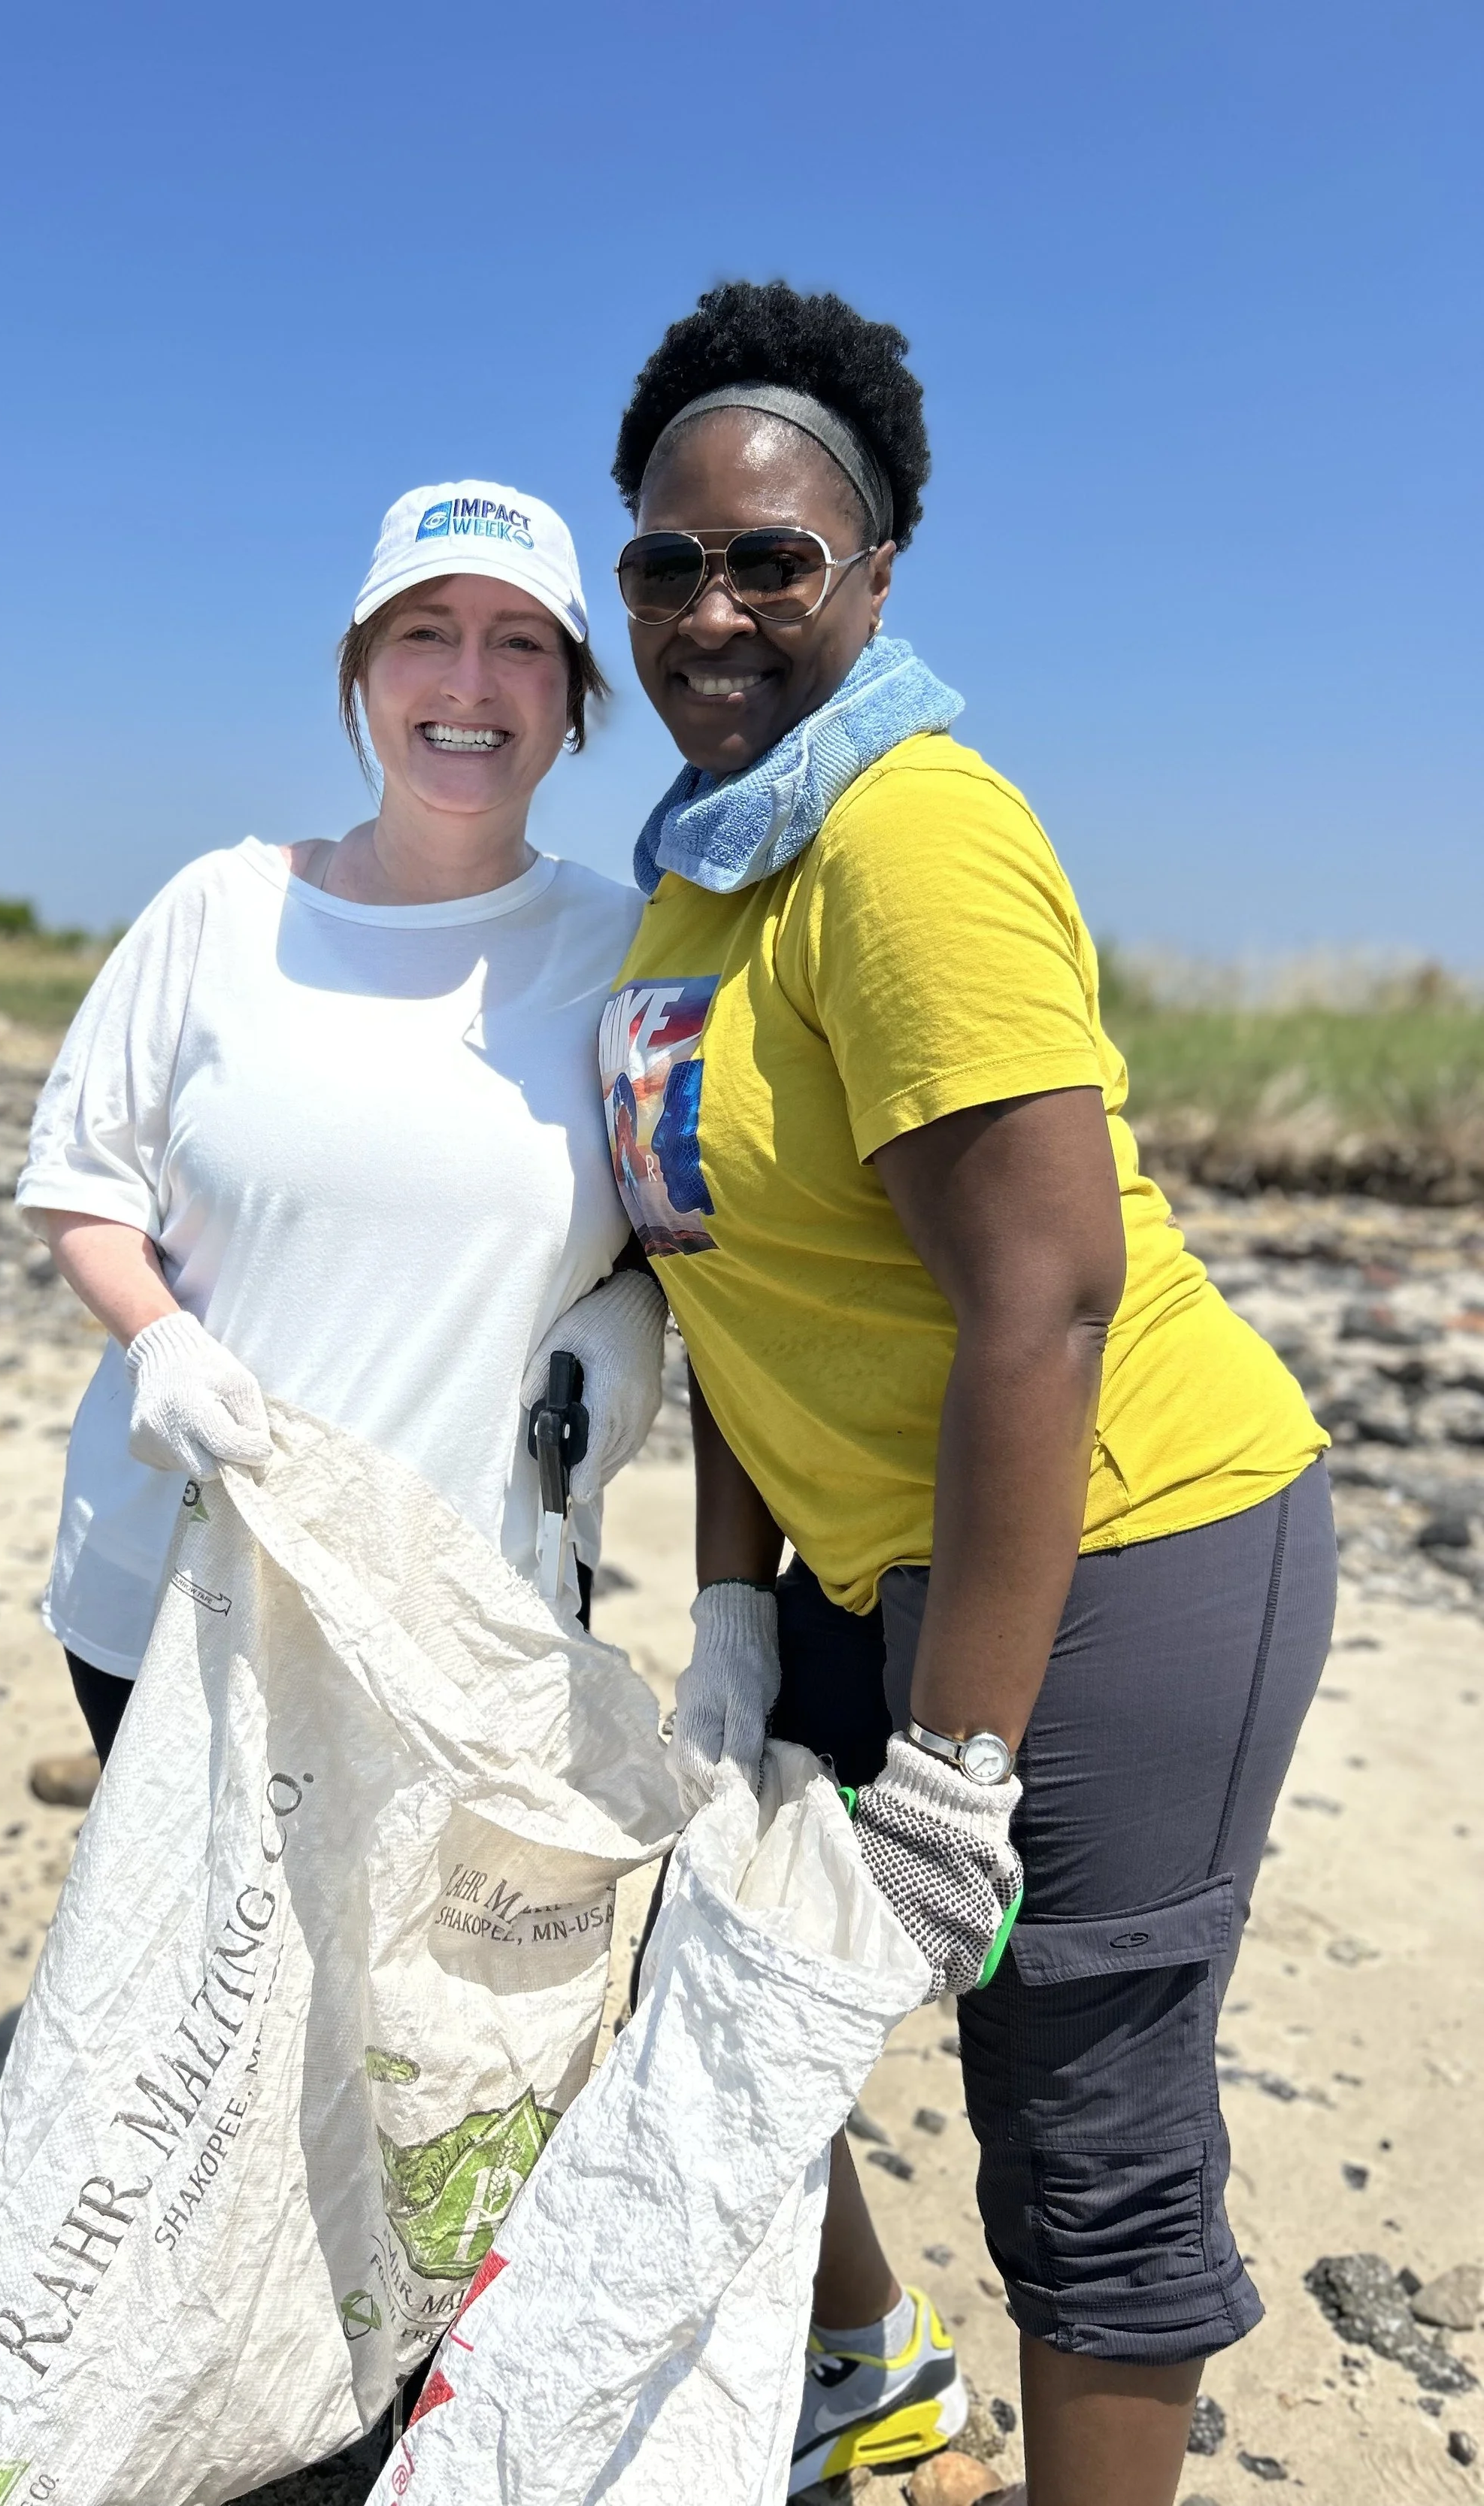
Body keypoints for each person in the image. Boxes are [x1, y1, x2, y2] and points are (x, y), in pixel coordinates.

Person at [601, 284, 1332, 2506]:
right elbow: (731, 1288)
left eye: (768, 559)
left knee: (1078, 2118)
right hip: (861, 1559)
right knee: (717, 1962)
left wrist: (960, 1762)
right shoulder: (698, 877)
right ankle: (861, 2362)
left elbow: (1045, 1301)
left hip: (1115, 1550)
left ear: (874, 569)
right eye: (664, 561)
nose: (709, 609)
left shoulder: (899, 838)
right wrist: (731, 1619)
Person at [17, 477, 668, 1768]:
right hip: (178, 1593)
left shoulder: (632, 951)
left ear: (575, 700)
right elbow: (82, 1181)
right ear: (362, 674)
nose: (469, 680)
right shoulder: (220, 910)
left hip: (477, 1609)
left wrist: (639, 1312)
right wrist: (159, 1341)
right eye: (424, 632)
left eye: (520, 642)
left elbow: (689, 1214)